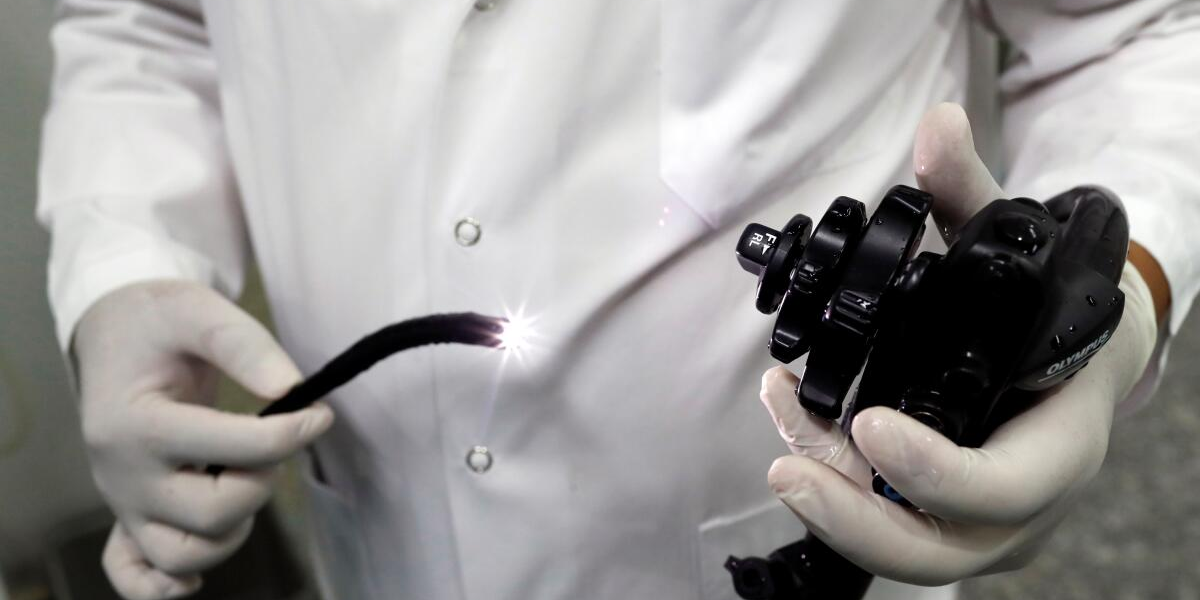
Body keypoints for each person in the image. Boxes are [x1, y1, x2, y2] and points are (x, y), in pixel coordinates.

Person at [36, 1, 1198, 599]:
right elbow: (150, 19)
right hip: (382, 531)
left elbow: (1135, 28)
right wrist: (126, 256)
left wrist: (1115, 298)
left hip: (800, 521)